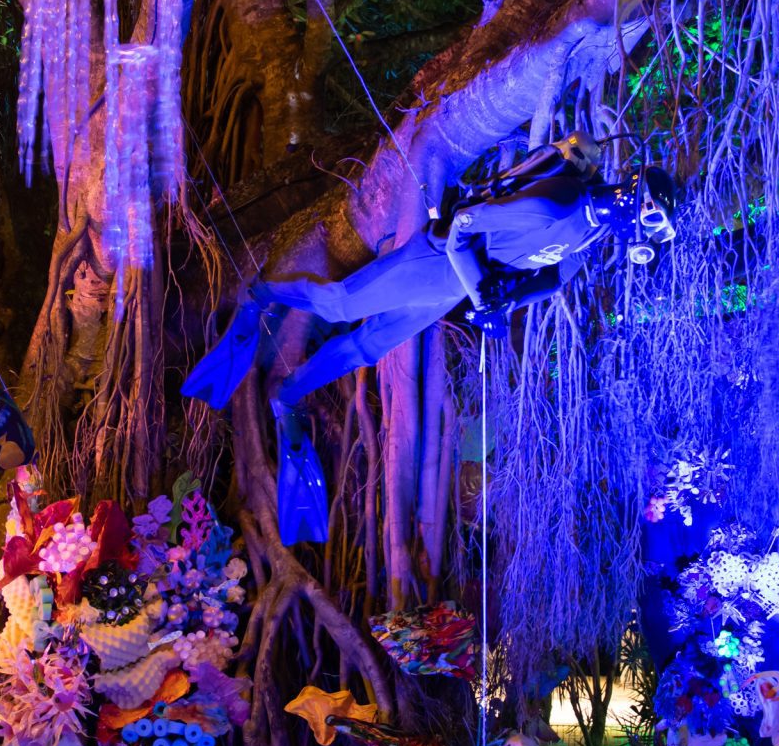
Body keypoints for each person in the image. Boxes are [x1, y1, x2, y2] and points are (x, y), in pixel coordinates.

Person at [184, 137, 679, 541]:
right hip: (435, 264)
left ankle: (287, 395)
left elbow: (554, 278)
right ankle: (261, 291)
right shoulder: (556, 205)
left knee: (369, 346)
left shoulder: (591, 234)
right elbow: (463, 225)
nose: (643, 237)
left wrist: (502, 304)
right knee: (341, 306)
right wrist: (484, 295)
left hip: (448, 293)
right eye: (650, 222)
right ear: (632, 200)